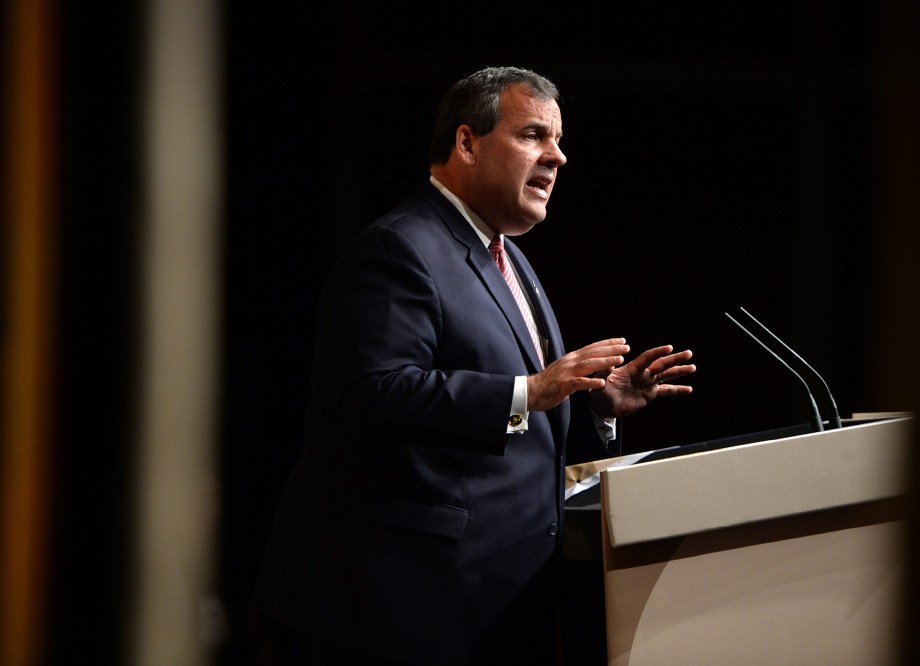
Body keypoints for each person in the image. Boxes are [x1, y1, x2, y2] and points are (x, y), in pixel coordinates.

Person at [253, 65, 696, 666]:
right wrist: (530, 390)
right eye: (534, 136)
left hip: (495, 602)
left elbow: (520, 422)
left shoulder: (508, 257)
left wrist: (592, 402)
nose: (557, 157)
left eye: (558, 141)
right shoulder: (401, 248)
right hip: (404, 609)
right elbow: (373, 394)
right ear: (467, 143)